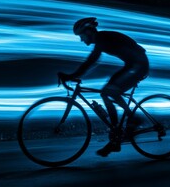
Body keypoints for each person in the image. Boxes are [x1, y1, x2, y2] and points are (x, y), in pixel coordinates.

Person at [58, 17, 149, 157]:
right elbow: (91, 62)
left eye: (81, 36)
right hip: (132, 65)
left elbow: (91, 61)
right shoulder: (102, 38)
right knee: (105, 93)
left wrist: (71, 76)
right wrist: (74, 75)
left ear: (88, 31)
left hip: (138, 65)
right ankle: (116, 136)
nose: (82, 40)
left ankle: (133, 119)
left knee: (109, 91)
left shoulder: (101, 38)